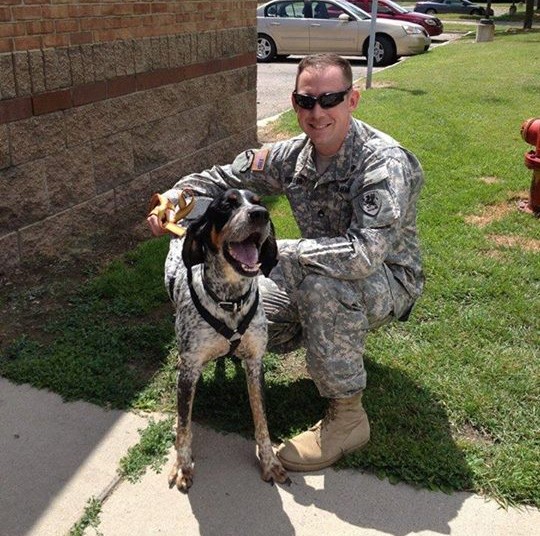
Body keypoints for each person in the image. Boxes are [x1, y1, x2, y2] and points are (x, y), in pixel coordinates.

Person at [147, 53, 425, 472]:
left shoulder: (382, 163)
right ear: (295, 104)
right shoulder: (294, 156)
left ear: (352, 100)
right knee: (246, 315)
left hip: (386, 278)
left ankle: (347, 417)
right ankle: (322, 341)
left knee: (322, 290)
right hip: (314, 263)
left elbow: (365, 255)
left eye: (330, 99)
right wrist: (175, 197)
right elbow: (225, 176)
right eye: (306, 100)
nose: (317, 112)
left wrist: (278, 251)